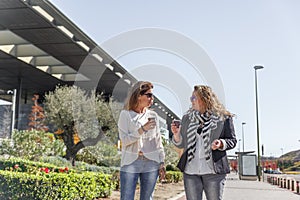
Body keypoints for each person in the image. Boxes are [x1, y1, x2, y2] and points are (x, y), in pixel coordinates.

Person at [171, 85, 237, 200]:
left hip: (213, 172)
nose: (191, 101)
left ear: (204, 99)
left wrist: (221, 143)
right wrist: (176, 135)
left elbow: (232, 140)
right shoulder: (187, 118)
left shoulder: (223, 118)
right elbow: (182, 144)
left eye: (193, 98)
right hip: (191, 171)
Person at [118, 81, 165, 200]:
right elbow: (125, 141)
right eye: (148, 95)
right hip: (131, 162)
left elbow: (158, 141)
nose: (152, 98)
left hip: (151, 162)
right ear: (139, 96)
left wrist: (162, 162)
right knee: (126, 198)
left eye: (152, 96)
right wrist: (142, 129)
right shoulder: (125, 115)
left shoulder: (153, 115)